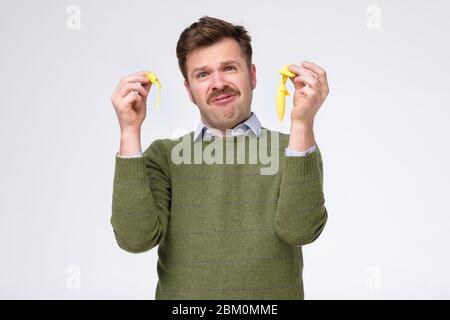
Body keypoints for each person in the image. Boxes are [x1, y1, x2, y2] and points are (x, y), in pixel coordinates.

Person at [110, 15, 329, 300]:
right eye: (202, 74)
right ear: (189, 91)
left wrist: (302, 124)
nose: (218, 83)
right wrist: (129, 131)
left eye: (229, 68)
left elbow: (300, 231)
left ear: (252, 75)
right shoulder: (164, 156)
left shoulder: (293, 149)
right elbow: (134, 239)